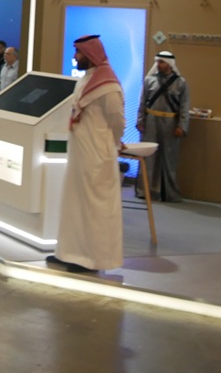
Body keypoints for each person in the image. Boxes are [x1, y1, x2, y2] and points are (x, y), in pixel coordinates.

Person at [47, 35, 125, 275]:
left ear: (90, 54)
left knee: (94, 206)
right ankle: (68, 252)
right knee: (74, 203)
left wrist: (112, 144)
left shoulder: (109, 86)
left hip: (98, 155)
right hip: (80, 154)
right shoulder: (84, 81)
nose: (75, 57)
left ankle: (91, 259)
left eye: (78, 53)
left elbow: (117, 121)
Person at [137, 49, 191, 203]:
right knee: (149, 158)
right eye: (157, 62)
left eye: (161, 62)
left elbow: (184, 106)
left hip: (170, 124)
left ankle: (169, 193)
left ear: (169, 64)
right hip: (151, 122)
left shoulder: (181, 83)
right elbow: (142, 102)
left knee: (169, 158)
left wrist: (182, 126)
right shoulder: (149, 81)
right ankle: (146, 191)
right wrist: (140, 121)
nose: (158, 65)